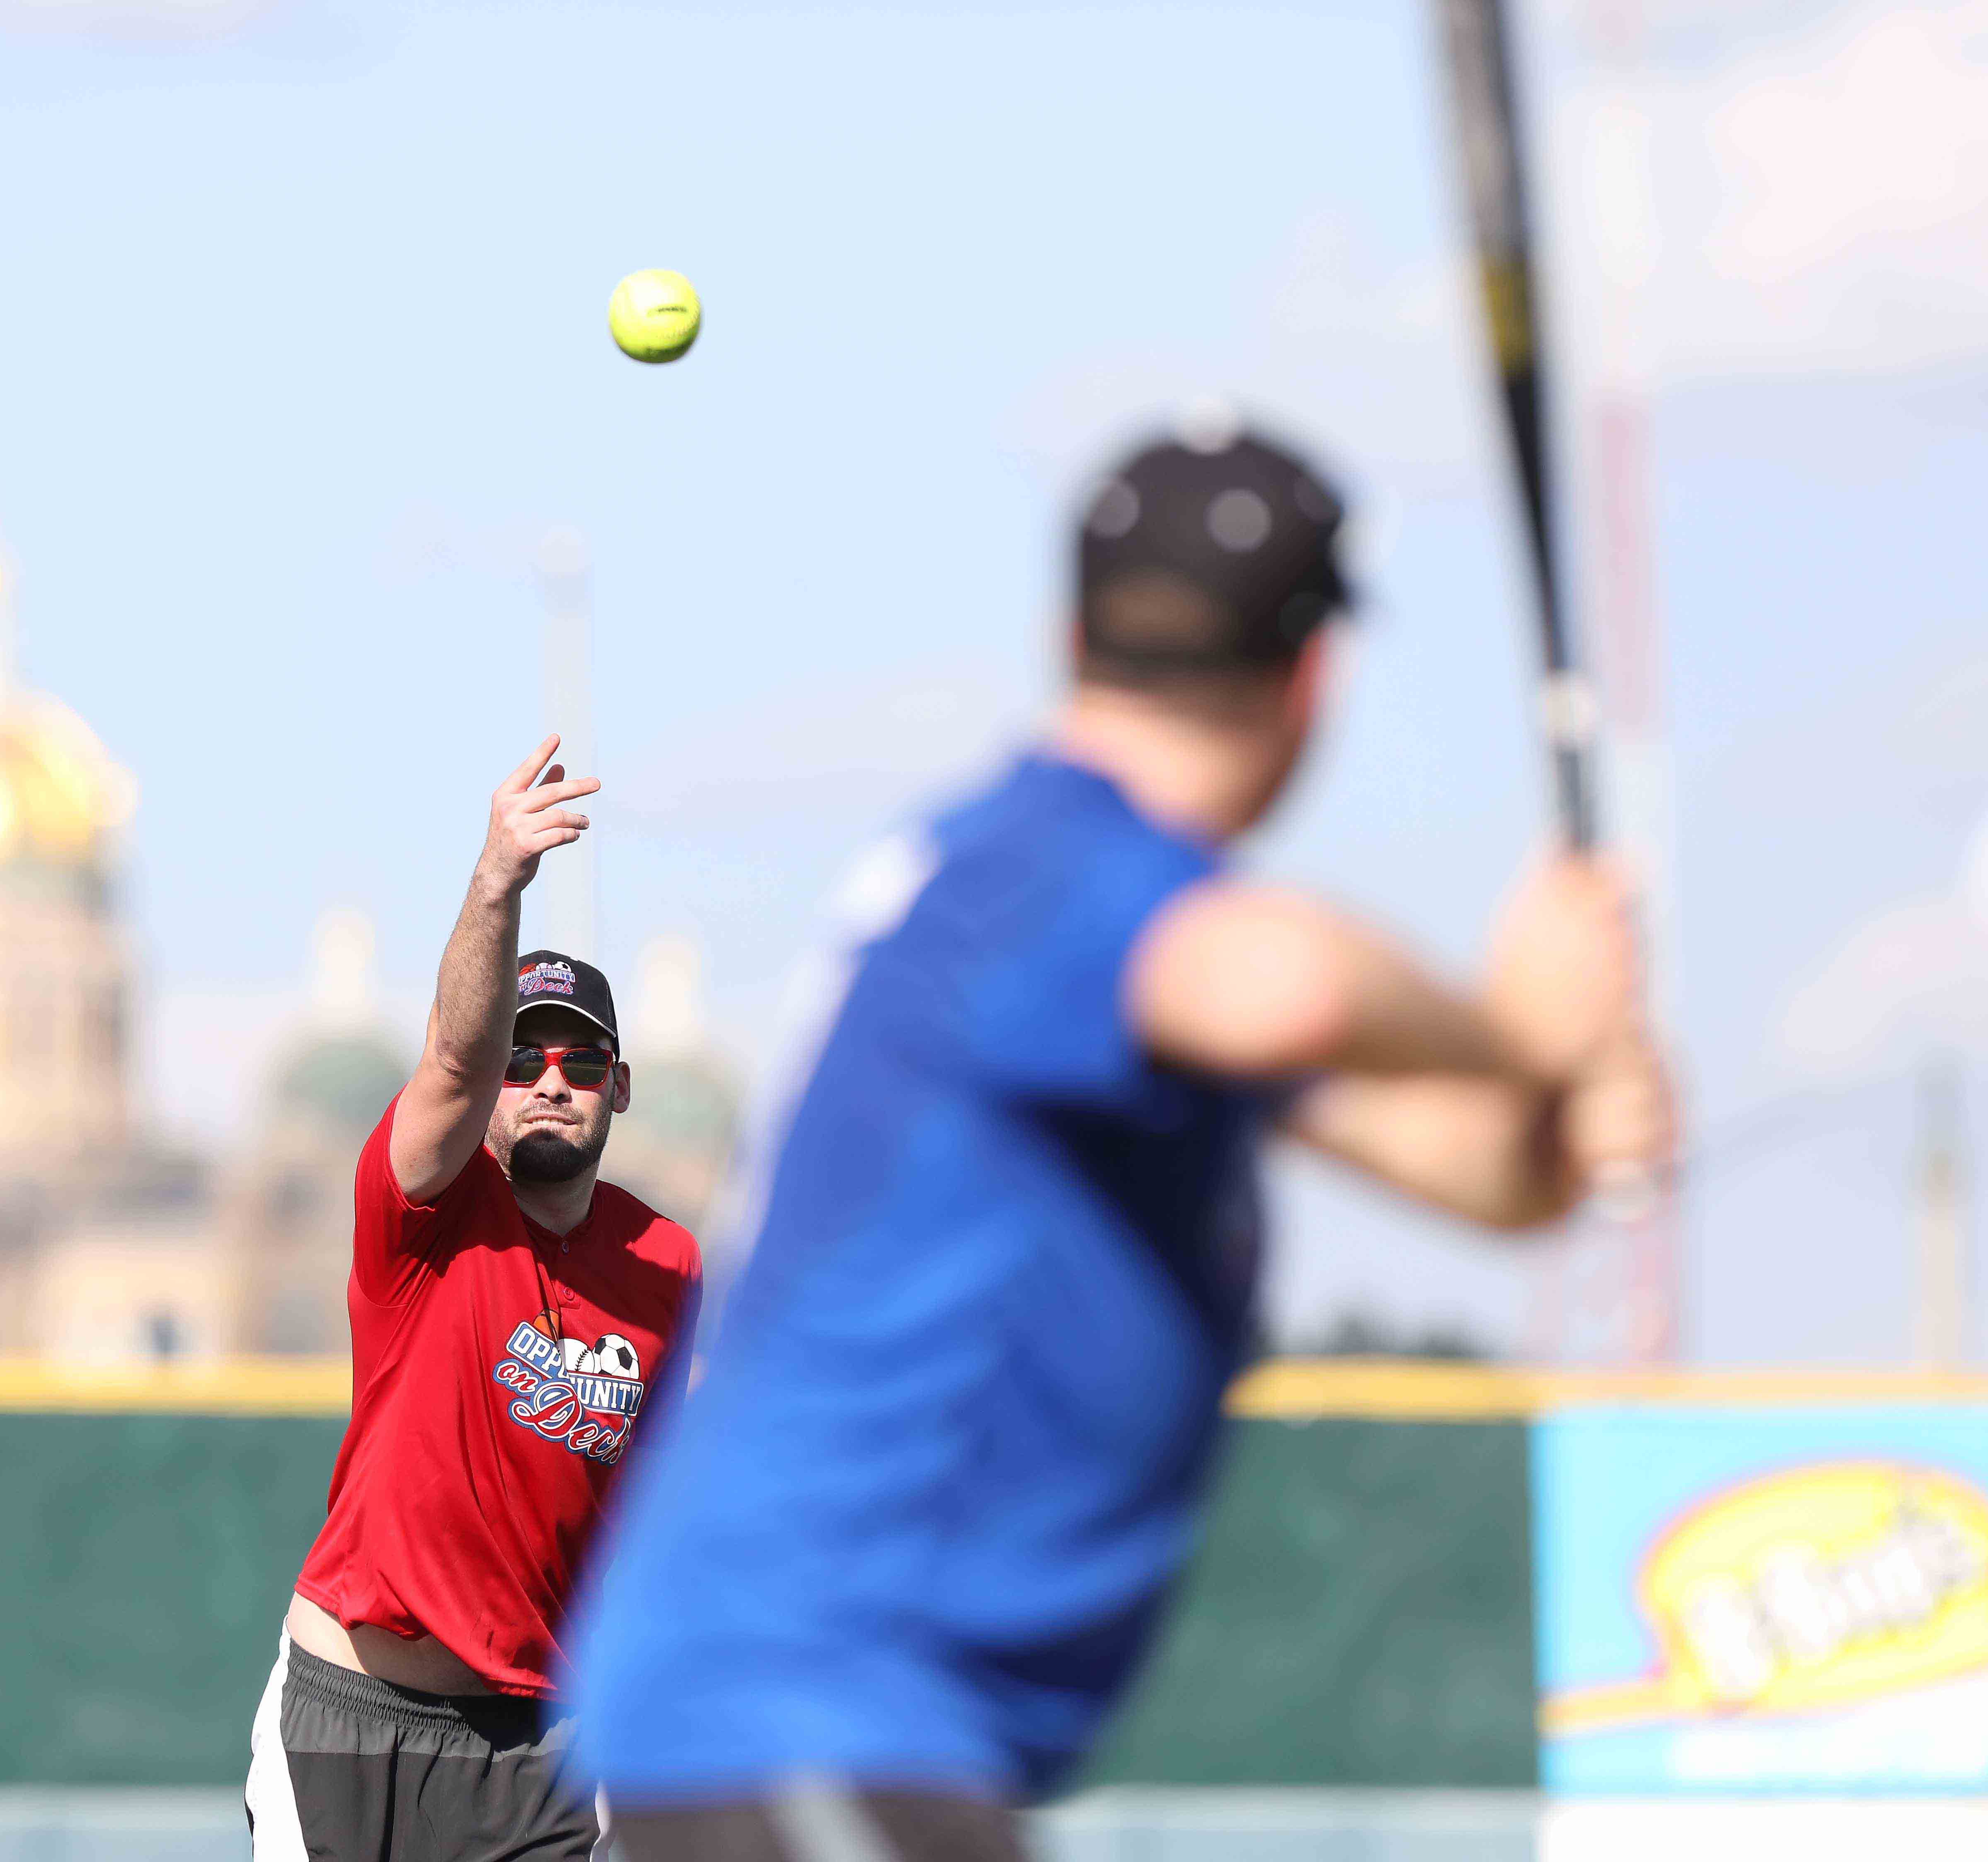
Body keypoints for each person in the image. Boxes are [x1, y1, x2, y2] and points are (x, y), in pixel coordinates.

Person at [571, 424, 1677, 1862]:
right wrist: (1518, 1025)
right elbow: (1292, 987)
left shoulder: (1084, 934)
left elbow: (1487, 1177)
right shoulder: (1062, 873)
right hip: (813, 1715)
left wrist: (1570, 1102)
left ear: (1068, 634)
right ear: (1313, 678)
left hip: (814, 1737)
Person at [247, 737, 706, 1862]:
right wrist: (497, 879)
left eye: (581, 1061)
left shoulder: (668, 1265)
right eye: (525, 1055)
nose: (550, 1078)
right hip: (354, 1723)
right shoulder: (428, 1209)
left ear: (620, 1088)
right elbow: (453, 1057)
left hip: (538, 1748)